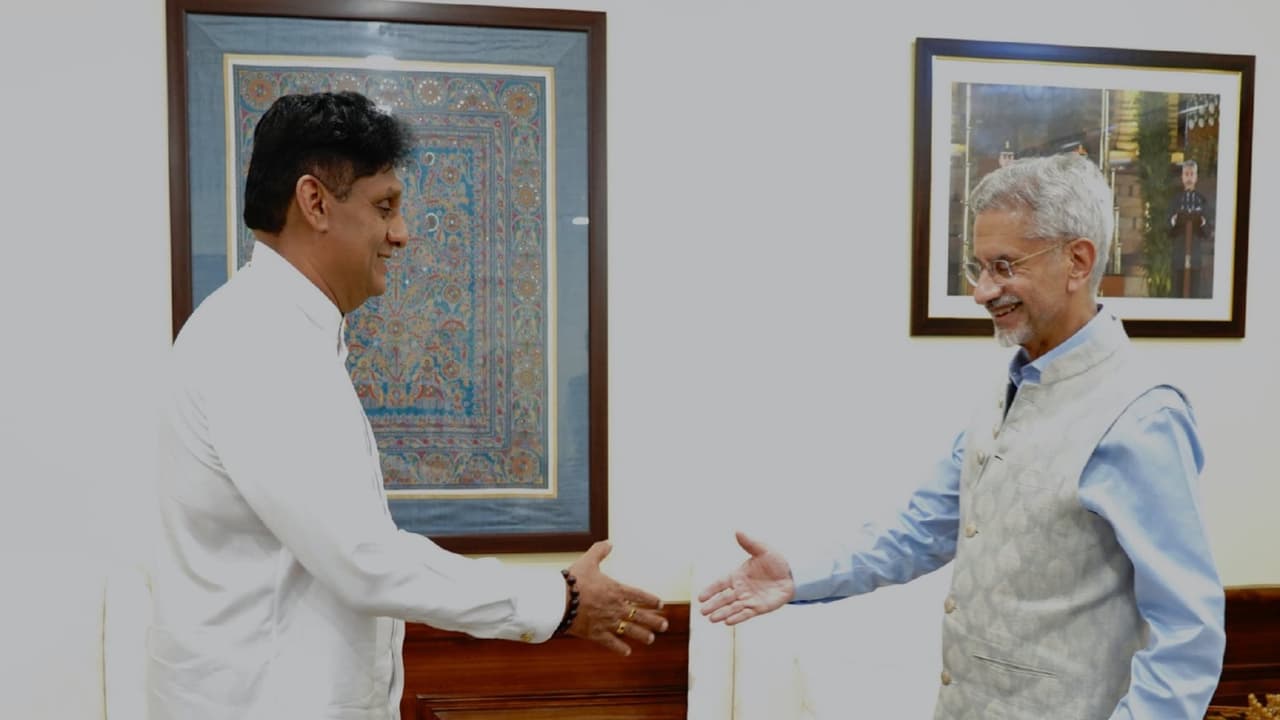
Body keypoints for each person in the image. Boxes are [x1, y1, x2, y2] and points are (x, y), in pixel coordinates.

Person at [149, 91, 667, 720]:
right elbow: (364, 559)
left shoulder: (279, 332)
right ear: (314, 203)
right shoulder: (260, 343)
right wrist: (560, 600)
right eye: (384, 207)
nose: (401, 233)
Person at [700, 153, 1225, 719]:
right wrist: (799, 575)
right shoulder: (1011, 386)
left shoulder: (1142, 414)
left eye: (1004, 266)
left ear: (1077, 261)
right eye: (980, 268)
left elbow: (1188, 634)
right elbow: (921, 530)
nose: (982, 291)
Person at [1169, 158, 1214, 298]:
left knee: (1194, 296)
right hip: (1179, 256)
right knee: (1177, 295)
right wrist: (1174, 220)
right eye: (1186, 174)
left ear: (1196, 177)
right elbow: (1167, 227)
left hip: (1194, 256)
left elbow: (1207, 230)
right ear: (1182, 177)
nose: (1189, 177)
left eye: (1192, 174)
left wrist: (1201, 221)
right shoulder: (1175, 200)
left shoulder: (1202, 200)